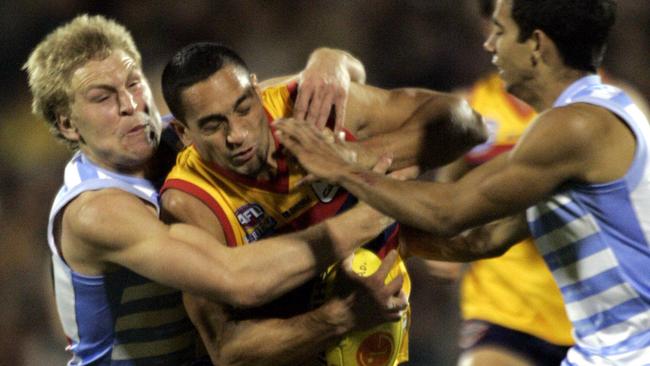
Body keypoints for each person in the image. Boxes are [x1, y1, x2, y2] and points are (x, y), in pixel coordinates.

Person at [275, 0, 650, 364]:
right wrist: (375, 237)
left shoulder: (579, 125)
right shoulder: (585, 118)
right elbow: (483, 239)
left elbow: (449, 210)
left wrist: (341, 168)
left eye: (500, 31)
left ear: (536, 44)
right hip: (589, 346)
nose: (489, 44)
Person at [24, 14, 408, 365]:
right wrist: (380, 208)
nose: (130, 104)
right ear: (69, 125)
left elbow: (323, 87)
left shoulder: (196, 128)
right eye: (103, 97)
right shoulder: (96, 211)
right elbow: (239, 279)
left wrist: (330, 60)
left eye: (133, 83)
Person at [159, 42, 486, 365]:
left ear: (258, 91)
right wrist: (342, 317)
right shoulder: (189, 202)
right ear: (184, 132)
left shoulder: (311, 108)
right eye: (213, 126)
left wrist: (356, 159)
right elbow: (228, 350)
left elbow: (466, 124)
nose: (238, 134)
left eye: (244, 108)